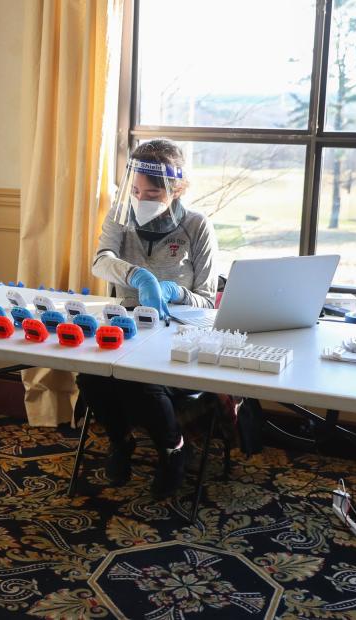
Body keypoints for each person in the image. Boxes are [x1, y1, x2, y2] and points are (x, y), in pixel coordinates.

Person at [76, 138, 218, 498]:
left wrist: (172, 291)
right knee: (91, 375)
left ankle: (173, 450)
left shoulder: (197, 227)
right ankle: (120, 440)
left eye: (152, 193)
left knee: (138, 381)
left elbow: (207, 300)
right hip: (126, 325)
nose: (141, 200)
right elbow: (100, 259)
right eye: (135, 190)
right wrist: (137, 275)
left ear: (177, 190)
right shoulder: (120, 215)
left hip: (176, 331)